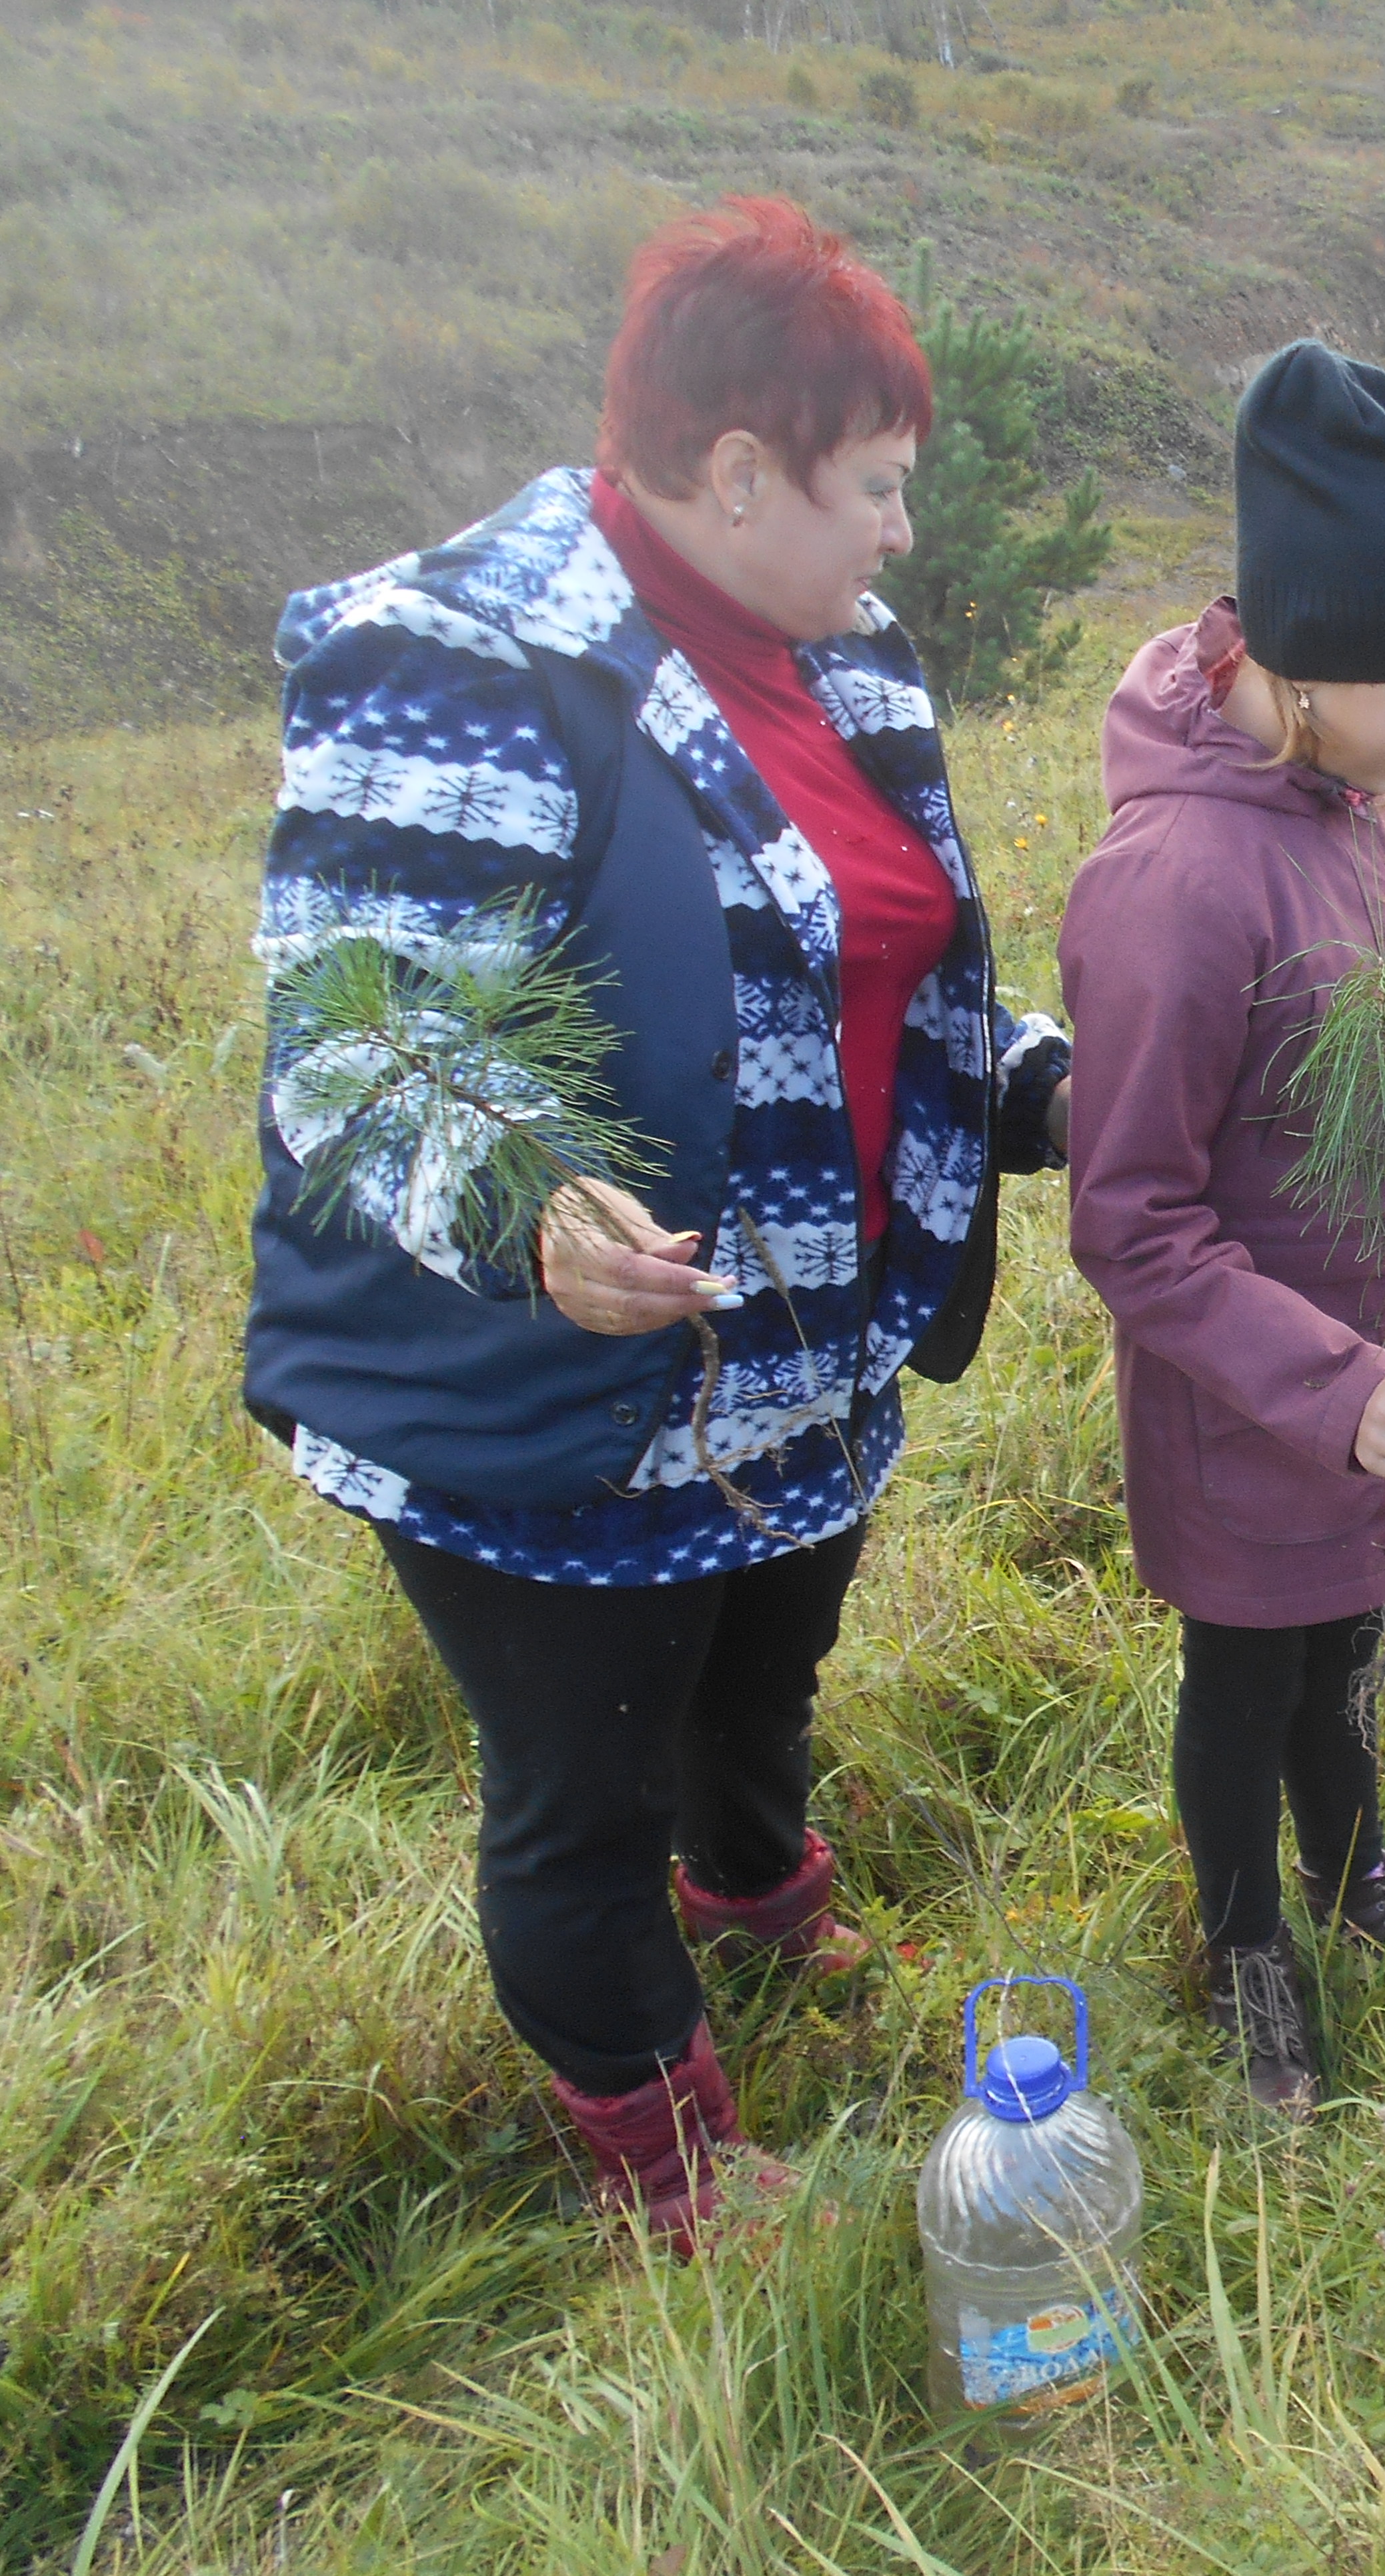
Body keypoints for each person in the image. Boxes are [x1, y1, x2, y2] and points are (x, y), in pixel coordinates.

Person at [246, 198, 1072, 2255]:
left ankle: (762, 1892)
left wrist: (1040, 1079)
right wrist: (529, 1202)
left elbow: (895, 963)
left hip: (802, 1355)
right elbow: (356, 1039)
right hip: (561, 1385)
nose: (899, 533)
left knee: (758, 1676)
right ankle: (654, 2140)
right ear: (734, 472)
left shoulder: (843, 656)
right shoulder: (456, 657)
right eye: (874, 487)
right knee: (580, 1785)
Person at [1061, 341, 1385, 2123]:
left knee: (1352, 1644)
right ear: (1307, 660)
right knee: (1250, 1668)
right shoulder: (1177, 883)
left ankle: (1357, 1873)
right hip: (1259, 1387)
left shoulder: (1358, 791)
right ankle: (1251, 1934)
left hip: (1379, 1354)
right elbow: (1131, 1222)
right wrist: (1326, 1389)